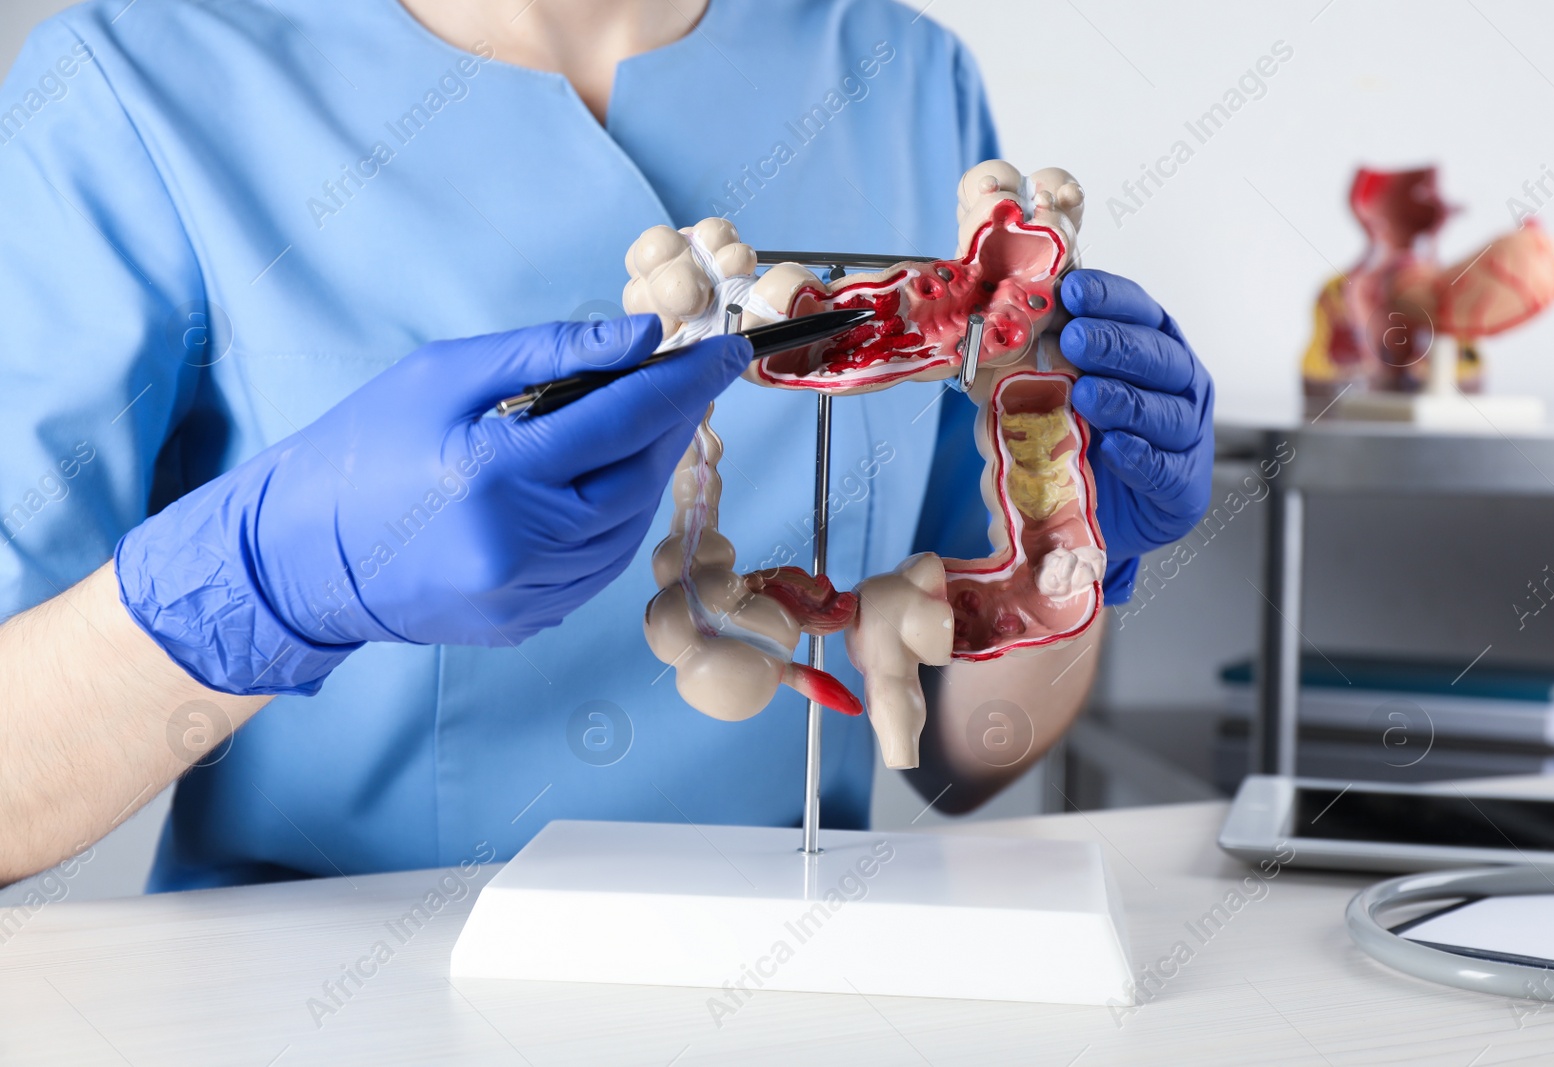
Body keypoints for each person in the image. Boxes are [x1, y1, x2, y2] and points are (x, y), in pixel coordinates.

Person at [0, 0, 1214, 889]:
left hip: (803, 985)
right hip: (325, 1013)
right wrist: (261, 583)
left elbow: (965, 745)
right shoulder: (135, 79)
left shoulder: (899, 72)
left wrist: (1073, 552)